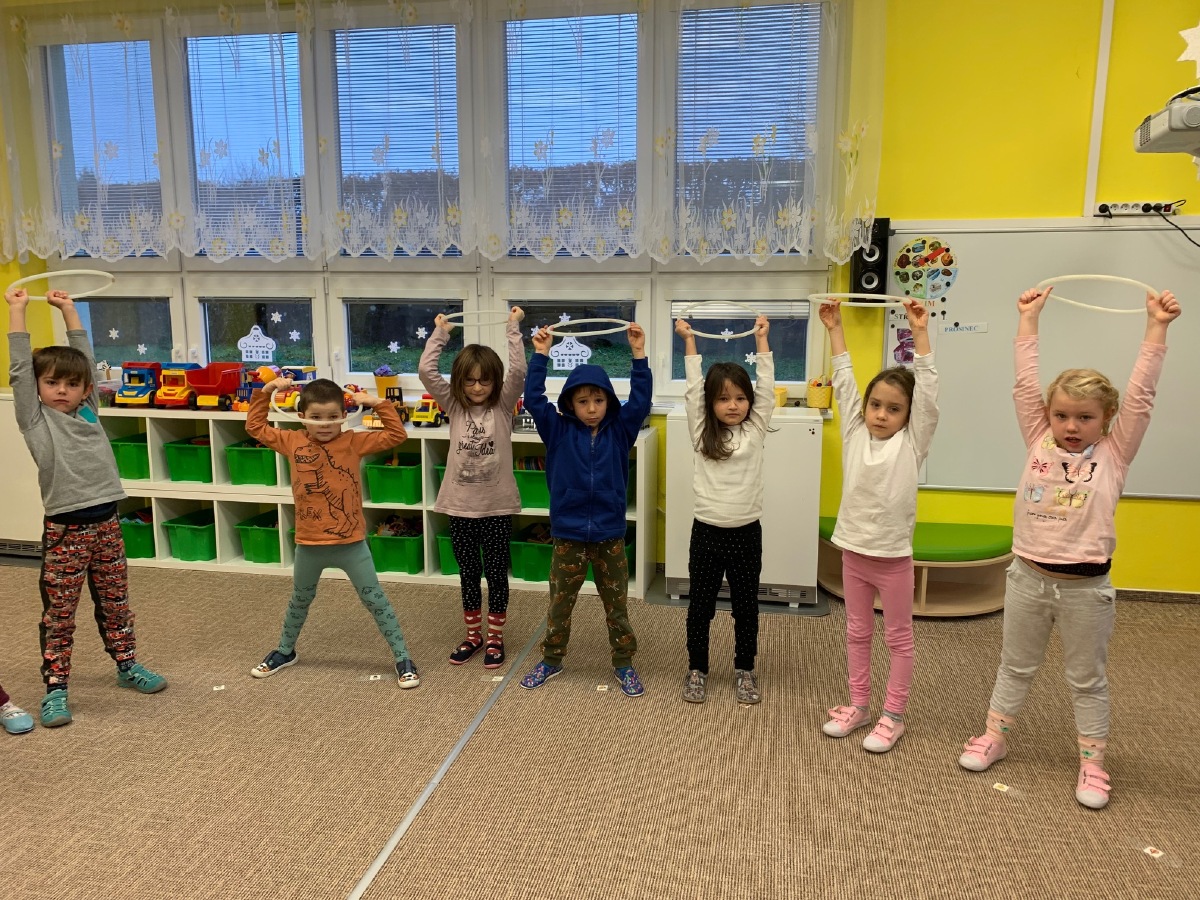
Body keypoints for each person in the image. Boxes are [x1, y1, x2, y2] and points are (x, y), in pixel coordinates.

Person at [958, 286, 1180, 809]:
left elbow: (1142, 395)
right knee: (1015, 665)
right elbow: (1024, 384)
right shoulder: (1038, 438)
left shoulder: (1115, 453)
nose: (1071, 426)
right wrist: (1028, 319)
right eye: (1061, 416)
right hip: (1028, 578)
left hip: (1086, 589)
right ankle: (994, 736)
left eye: (1084, 417)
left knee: (1086, 678)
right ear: (1049, 415)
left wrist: (1157, 327)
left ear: (1106, 419)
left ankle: (1092, 762)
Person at [6, 287, 168, 729]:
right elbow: (19, 370)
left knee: (116, 602)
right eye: (51, 383)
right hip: (65, 532)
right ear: (38, 388)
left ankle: (126, 664)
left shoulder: (90, 410)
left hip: (107, 524)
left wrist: (69, 310)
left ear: (86, 389)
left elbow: (86, 358)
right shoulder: (36, 419)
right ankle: (56, 687)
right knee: (60, 614)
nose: (62, 390)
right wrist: (18, 310)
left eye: (72, 384)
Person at [819, 298, 939, 753]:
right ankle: (859, 705)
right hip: (853, 553)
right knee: (856, 632)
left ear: (909, 416)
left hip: (892, 560)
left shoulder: (912, 443)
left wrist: (919, 333)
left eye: (893, 408)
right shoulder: (854, 432)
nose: (882, 414)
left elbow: (928, 394)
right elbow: (845, 382)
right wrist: (835, 329)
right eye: (875, 405)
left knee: (898, 638)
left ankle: (893, 716)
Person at [246, 376, 420, 688]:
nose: (325, 424)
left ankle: (402, 657)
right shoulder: (291, 440)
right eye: (316, 417)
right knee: (300, 599)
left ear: (344, 415)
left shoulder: (353, 441)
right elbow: (255, 427)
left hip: (351, 544)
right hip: (309, 543)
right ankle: (285, 651)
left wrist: (377, 403)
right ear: (302, 417)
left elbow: (397, 435)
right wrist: (267, 391)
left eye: (332, 417)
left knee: (375, 600)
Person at [518, 321, 652, 696]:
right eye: (582, 401)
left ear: (609, 401)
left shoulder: (621, 430)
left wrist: (638, 354)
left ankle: (623, 662)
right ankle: (551, 659)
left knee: (617, 606)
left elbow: (641, 399)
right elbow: (533, 399)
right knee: (560, 604)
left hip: (609, 534)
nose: (591, 409)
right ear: (570, 404)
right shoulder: (557, 429)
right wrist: (540, 354)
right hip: (568, 534)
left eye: (598, 400)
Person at [419, 307, 527, 668]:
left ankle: (495, 638)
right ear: (458, 383)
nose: (477, 387)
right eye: (469, 381)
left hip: (496, 507)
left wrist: (513, 328)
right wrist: (441, 333)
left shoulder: (503, 406)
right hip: (460, 507)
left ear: (495, 382)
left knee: (496, 574)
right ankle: (473, 635)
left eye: (484, 381)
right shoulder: (453, 405)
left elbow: (519, 371)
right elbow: (426, 371)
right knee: (468, 573)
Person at [674, 315, 774, 705]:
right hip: (707, 533)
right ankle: (697, 668)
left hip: (747, 534)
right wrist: (689, 340)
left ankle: (745, 669)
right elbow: (692, 388)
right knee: (701, 608)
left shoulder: (755, 429)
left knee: (746, 608)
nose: (733, 405)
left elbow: (766, 385)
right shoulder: (701, 431)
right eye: (722, 398)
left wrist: (762, 340)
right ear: (710, 403)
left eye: (740, 398)